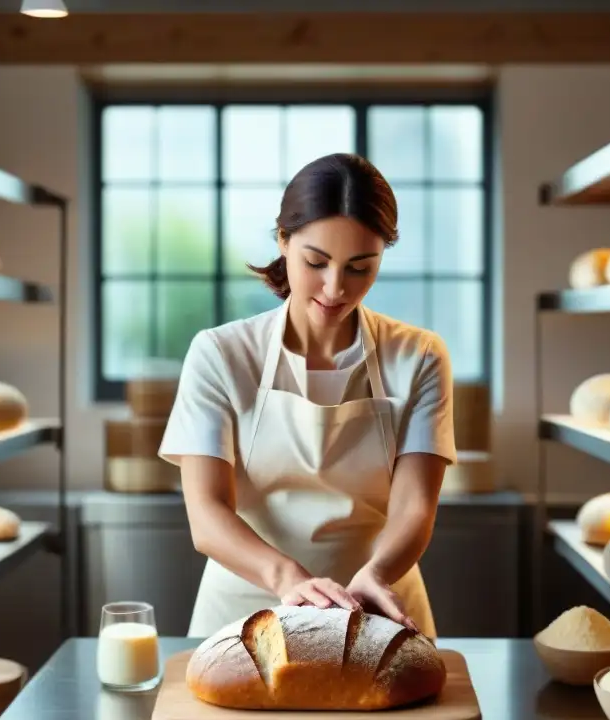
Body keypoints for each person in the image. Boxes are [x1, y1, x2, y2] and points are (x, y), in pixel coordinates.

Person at [158, 152, 456, 639]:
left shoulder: (419, 356)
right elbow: (207, 515)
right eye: (316, 262)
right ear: (283, 241)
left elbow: (414, 506)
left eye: (361, 267)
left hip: (376, 608)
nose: (336, 288)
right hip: (244, 612)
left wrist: (376, 574)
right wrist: (288, 579)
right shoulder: (221, 354)